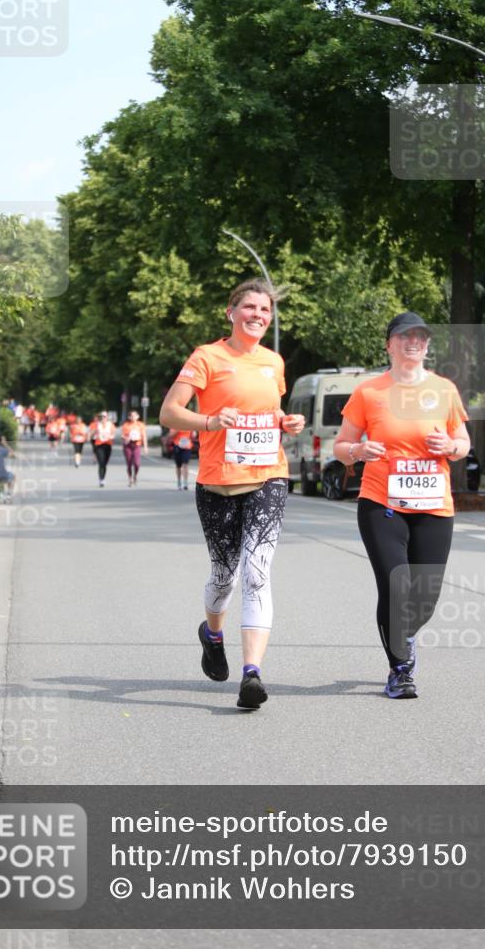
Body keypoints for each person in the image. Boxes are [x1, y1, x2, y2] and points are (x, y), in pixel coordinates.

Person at [160, 278, 305, 710]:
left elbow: (271, 411)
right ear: (231, 312)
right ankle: (212, 633)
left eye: (265, 310)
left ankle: (252, 673)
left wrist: (286, 422)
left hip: (268, 476)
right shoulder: (208, 357)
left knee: (257, 572)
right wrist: (209, 423)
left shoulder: (274, 362)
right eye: (250, 308)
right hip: (218, 480)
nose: (258, 315)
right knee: (224, 576)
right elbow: (170, 412)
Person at [333, 311, 470, 700]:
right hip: (382, 503)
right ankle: (400, 670)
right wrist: (358, 450)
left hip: (433, 506)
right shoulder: (369, 392)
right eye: (405, 336)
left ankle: (404, 635)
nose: (414, 342)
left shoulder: (444, 389)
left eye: (421, 337)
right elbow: (341, 447)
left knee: (424, 599)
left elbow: (463, 442)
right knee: (396, 587)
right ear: (389, 343)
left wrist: (452, 447)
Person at [121, 411, 149, 486]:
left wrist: (145, 447)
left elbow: (144, 436)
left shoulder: (140, 425)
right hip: (128, 445)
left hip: (137, 445)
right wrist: (126, 438)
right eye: (131, 416)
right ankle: (130, 478)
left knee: (137, 463)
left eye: (134, 416)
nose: (133, 417)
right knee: (129, 463)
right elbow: (122, 436)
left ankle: (135, 475)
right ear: (129, 417)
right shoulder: (126, 425)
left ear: (138, 416)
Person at [90, 411, 116, 487]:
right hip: (99, 445)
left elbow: (113, 433)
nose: (103, 418)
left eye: (104, 416)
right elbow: (91, 435)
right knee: (101, 463)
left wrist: (111, 436)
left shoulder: (111, 425)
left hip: (108, 445)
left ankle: (102, 478)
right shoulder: (97, 425)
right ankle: (101, 480)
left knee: (105, 463)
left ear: (107, 417)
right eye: (101, 416)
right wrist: (93, 435)